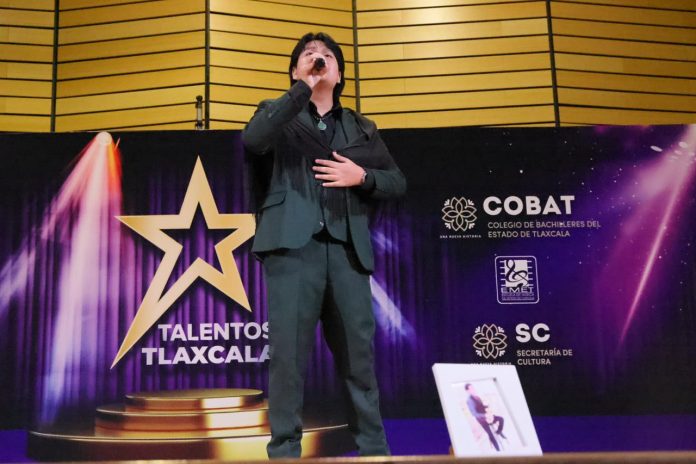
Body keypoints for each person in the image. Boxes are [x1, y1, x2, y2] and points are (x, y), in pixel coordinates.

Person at [241, 32, 406, 459]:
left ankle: (374, 452)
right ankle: (284, 452)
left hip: (347, 251)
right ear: (294, 70)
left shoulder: (361, 127)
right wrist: (302, 90)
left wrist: (362, 177)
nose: (318, 59)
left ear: (340, 73)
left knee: (359, 360)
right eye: (309, 55)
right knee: (289, 360)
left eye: (327, 56)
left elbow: (396, 182)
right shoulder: (276, 113)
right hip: (293, 249)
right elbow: (254, 140)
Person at [464, 383, 506, 451]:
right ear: (467, 391)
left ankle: (499, 431)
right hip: (482, 420)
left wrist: (486, 406)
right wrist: (484, 415)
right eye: (471, 388)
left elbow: (481, 407)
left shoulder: (477, 397)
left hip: (488, 416)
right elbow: (474, 414)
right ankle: (498, 450)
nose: (473, 389)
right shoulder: (469, 401)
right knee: (490, 434)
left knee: (501, 419)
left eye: (473, 387)